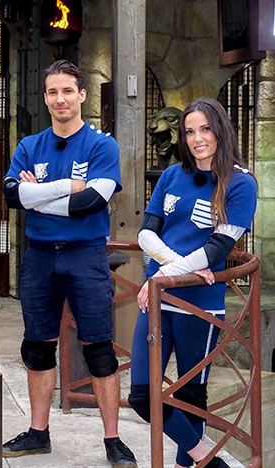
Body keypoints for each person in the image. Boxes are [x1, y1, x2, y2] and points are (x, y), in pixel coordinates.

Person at [1, 59, 137, 467]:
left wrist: (37, 196)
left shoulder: (102, 145)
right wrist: (60, 190)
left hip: (85, 256)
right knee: (37, 348)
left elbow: (91, 202)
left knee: (99, 351)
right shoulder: (29, 146)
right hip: (39, 257)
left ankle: (112, 439)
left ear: (81, 95)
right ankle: (38, 433)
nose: (60, 99)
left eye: (67, 91)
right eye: (52, 92)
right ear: (45, 98)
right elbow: (11, 196)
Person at [130, 98, 257, 468]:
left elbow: (218, 248)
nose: (197, 138)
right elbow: (146, 235)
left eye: (205, 129)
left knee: (191, 396)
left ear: (220, 130)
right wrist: (170, 271)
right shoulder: (171, 176)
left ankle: (189, 464)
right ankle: (209, 461)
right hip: (157, 297)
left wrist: (167, 275)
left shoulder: (241, 183)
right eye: (189, 132)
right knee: (142, 395)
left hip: (199, 305)